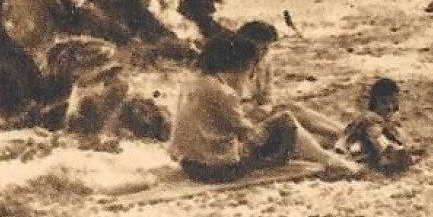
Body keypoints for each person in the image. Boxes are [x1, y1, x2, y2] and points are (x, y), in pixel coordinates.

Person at [168, 32, 334, 182]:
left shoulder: (191, 83)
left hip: (190, 165)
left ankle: (326, 147)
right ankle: (331, 161)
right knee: (286, 120)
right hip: (217, 170)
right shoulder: (224, 92)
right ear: (241, 66)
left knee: (286, 122)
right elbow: (251, 136)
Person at [337, 77, 416, 175]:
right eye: (384, 102)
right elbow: (375, 137)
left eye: (393, 102)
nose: (389, 107)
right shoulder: (369, 119)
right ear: (374, 102)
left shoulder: (390, 122)